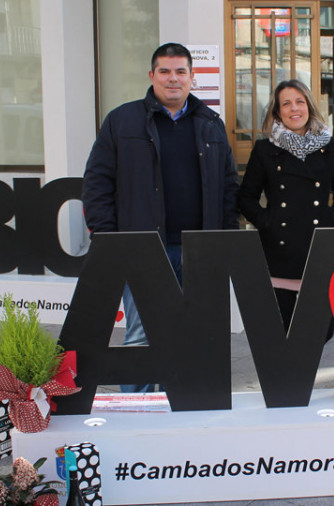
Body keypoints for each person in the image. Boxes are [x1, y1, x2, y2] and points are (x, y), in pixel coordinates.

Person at [82, 43, 239, 392]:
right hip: (142, 251)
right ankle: (138, 417)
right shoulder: (122, 121)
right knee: (142, 338)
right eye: (165, 71)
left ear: (192, 78)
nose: (173, 79)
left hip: (198, 253)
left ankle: (179, 415)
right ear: (151, 76)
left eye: (181, 71)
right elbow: (97, 183)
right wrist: (110, 242)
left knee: (192, 338)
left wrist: (225, 243)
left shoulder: (211, 124)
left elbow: (228, 188)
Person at [238, 80, 334, 331]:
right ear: (277, 112)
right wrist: (267, 222)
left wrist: (329, 220)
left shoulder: (331, 146)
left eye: (300, 102)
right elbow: (246, 197)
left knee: (320, 331)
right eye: (286, 104)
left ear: (309, 107)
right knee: (282, 328)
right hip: (279, 249)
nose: (294, 109)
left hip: (319, 247)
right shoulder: (265, 149)